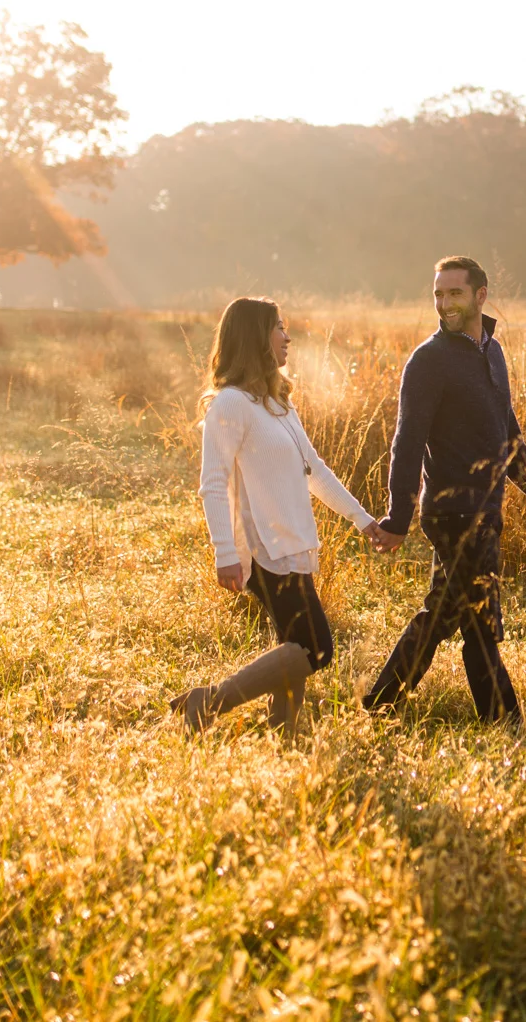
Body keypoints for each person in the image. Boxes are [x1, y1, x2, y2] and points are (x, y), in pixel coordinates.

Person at [362, 256, 526, 723]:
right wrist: (397, 519)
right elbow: (406, 443)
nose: (444, 303)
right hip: (453, 514)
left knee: (448, 615)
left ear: (480, 295)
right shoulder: (429, 361)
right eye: (437, 294)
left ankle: (382, 704)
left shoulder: (491, 352)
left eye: (454, 293)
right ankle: (505, 721)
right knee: (478, 621)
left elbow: (506, 432)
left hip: (487, 510)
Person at [171, 296, 378, 735]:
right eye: (278, 328)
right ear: (255, 337)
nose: (287, 336)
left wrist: (364, 520)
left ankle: (284, 735)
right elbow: (213, 482)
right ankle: (208, 702)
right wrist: (223, 551)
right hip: (263, 548)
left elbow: (315, 472)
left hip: (294, 541)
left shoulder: (277, 404)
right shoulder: (229, 405)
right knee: (317, 648)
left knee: (294, 645)